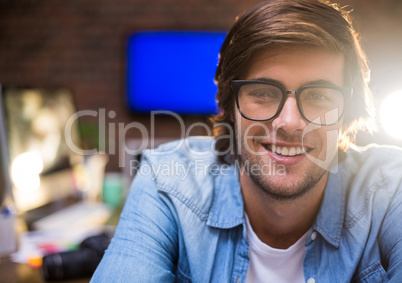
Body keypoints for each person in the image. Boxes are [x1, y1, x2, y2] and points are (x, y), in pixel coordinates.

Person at [91, 0, 402, 282]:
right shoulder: (165, 180)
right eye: (264, 93)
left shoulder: (391, 188)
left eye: (319, 95)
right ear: (230, 106)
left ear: (349, 111)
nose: (290, 123)